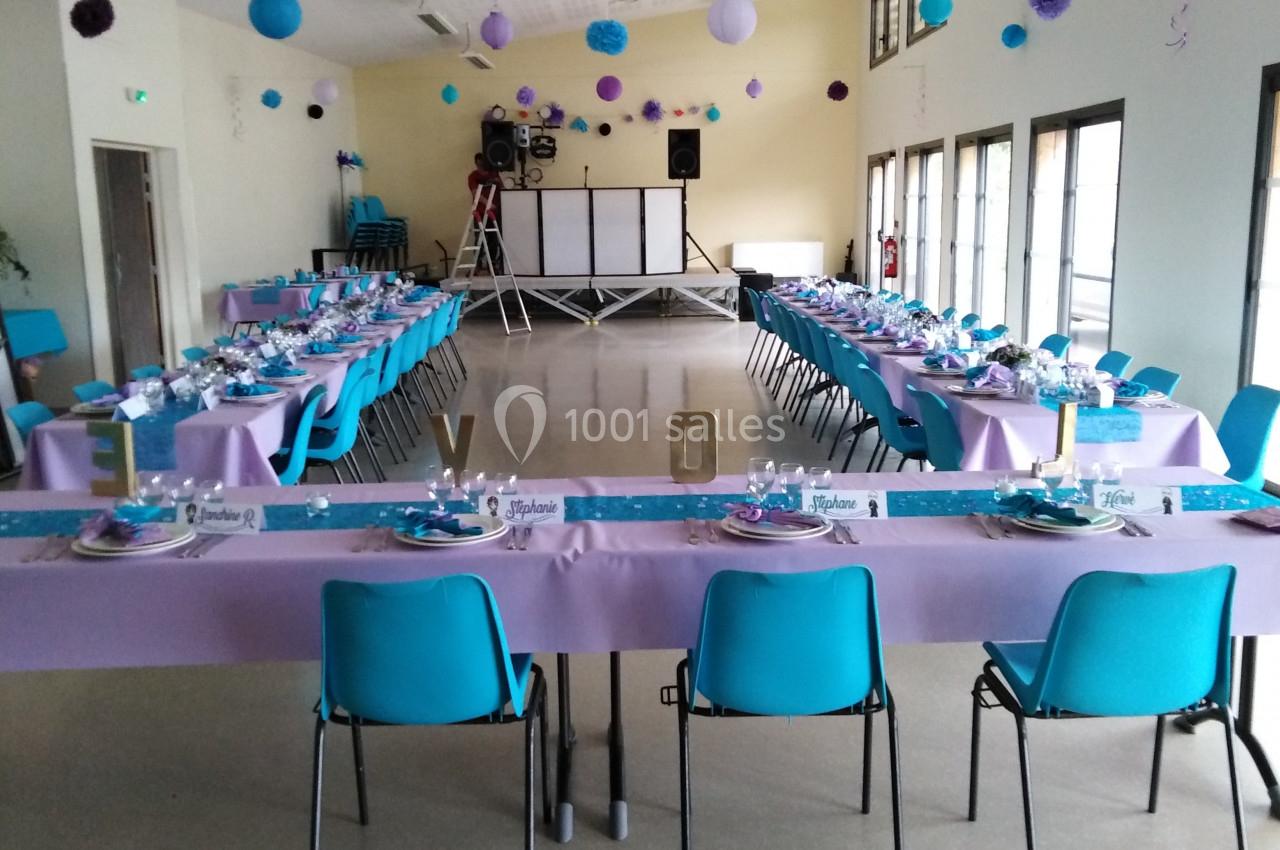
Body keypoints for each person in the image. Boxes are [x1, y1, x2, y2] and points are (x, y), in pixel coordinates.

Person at [466, 153, 502, 271]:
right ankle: (477, 264)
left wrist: (499, 182)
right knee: (480, 238)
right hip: (480, 212)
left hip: (494, 213)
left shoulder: (494, 174)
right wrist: (488, 203)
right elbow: (476, 192)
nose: (481, 165)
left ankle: (492, 264)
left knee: (493, 238)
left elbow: (503, 188)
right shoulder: (473, 176)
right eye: (479, 163)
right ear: (476, 163)